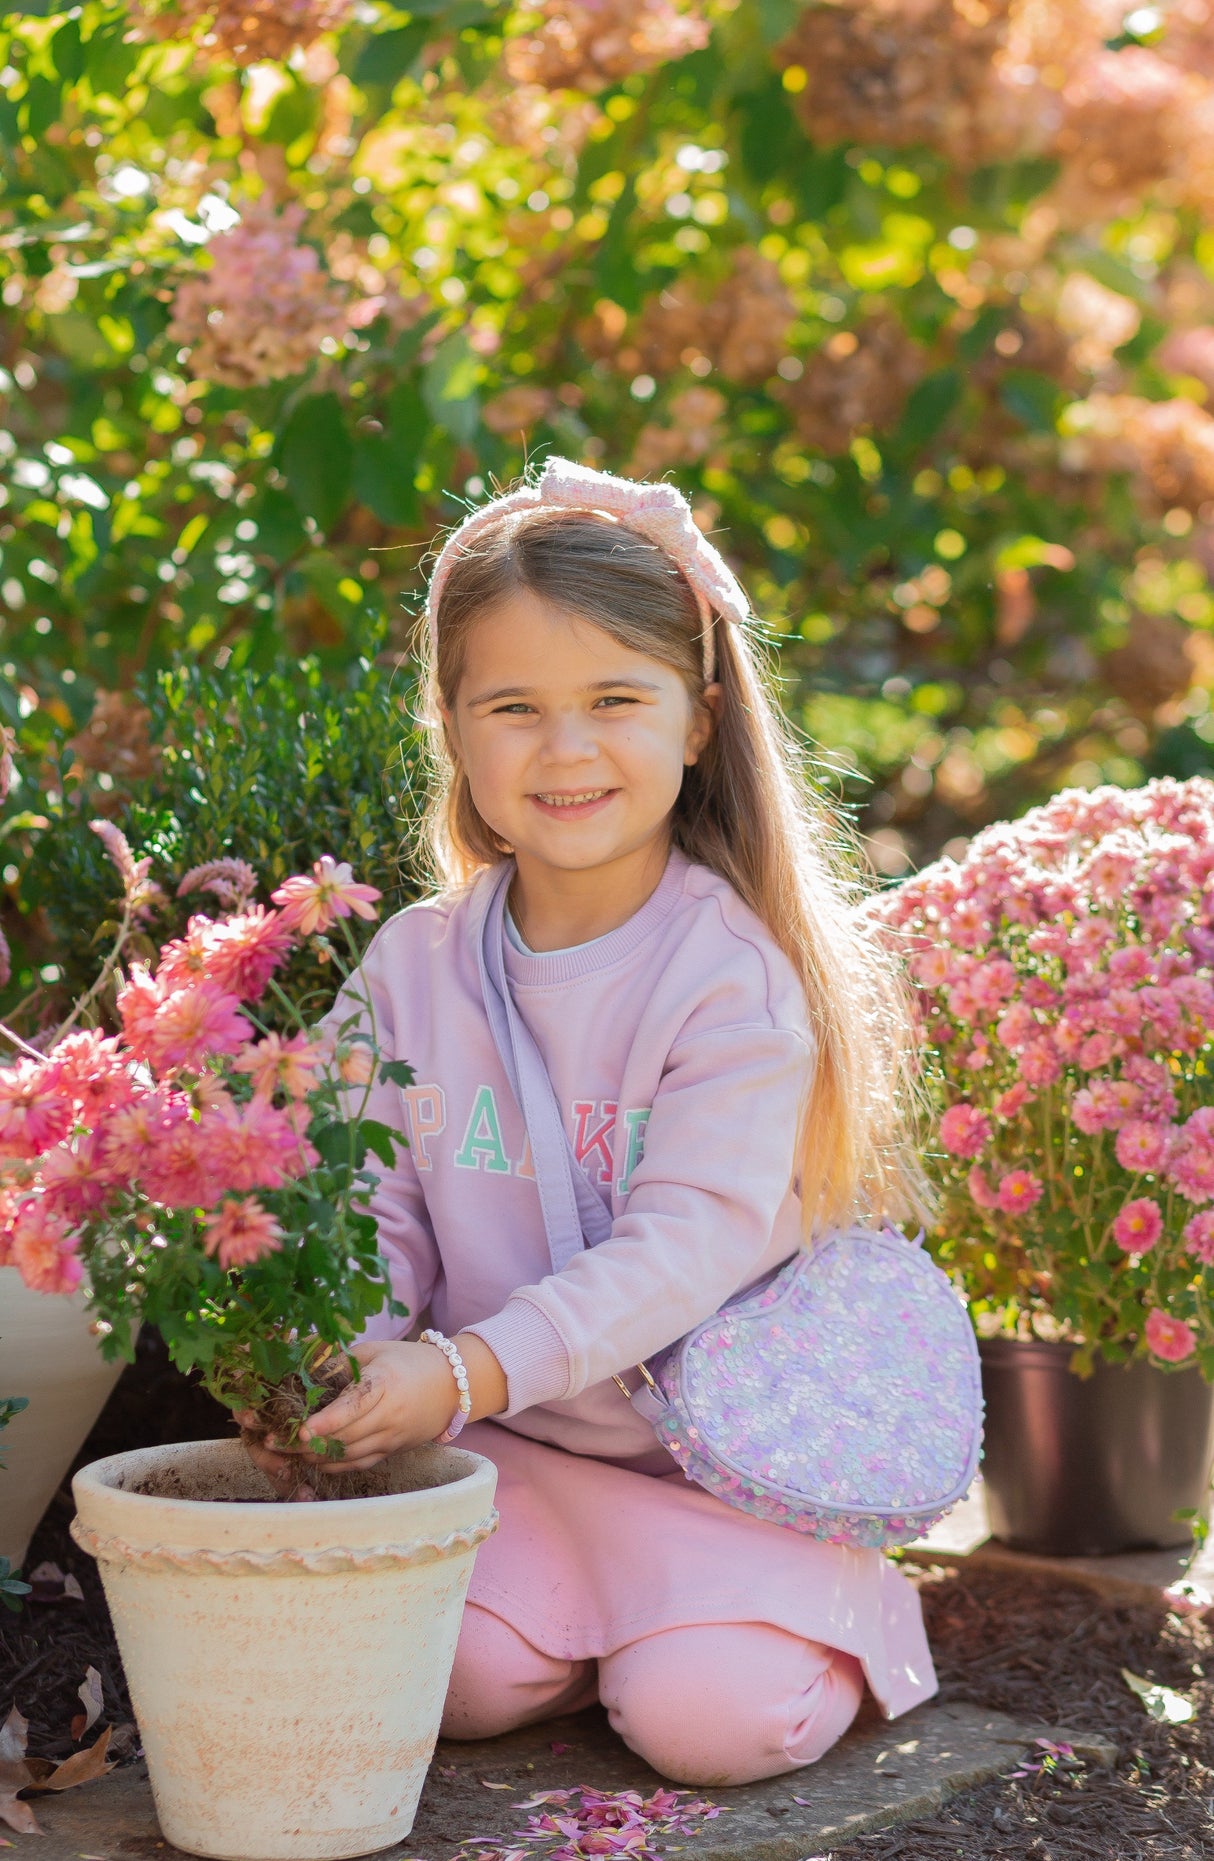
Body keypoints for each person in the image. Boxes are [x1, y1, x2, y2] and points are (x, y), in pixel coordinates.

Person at [244, 454, 939, 1788]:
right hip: (511, 1456)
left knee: (710, 1721)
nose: (566, 750)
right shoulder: (414, 962)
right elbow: (360, 1202)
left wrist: (454, 1371)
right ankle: (579, 1628)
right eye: (513, 705)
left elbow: (680, 1250)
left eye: (615, 698)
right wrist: (348, 1358)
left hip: (721, 1469)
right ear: (451, 724)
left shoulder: (729, 978)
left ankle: (798, 1606)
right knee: (453, 1677)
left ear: (695, 717)